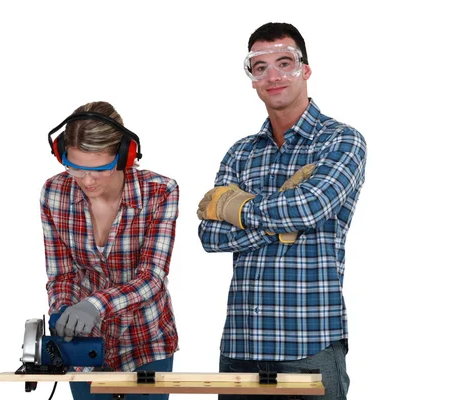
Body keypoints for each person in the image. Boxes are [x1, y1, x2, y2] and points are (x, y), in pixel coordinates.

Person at [197, 22, 366, 400]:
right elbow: (209, 235)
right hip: (241, 348)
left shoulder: (341, 140)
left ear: (305, 70)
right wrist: (283, 219)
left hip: (309, 346)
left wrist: (235, 207)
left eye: (284, 62)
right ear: (252, 79)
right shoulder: (240, 152)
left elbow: (310, 207)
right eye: (260, 67)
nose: (273, 75)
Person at [41, 101, 179, 400]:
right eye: (75, 167)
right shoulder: (54, 193)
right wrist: (64, 312)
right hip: (83, 347)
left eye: (99, 169)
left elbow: (152, 278)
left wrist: (94, 305)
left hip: (145, 340)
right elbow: (61, 275)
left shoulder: (160, 191)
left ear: (123, 157)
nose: (86, 180)